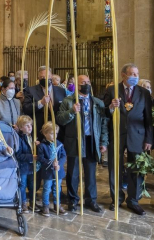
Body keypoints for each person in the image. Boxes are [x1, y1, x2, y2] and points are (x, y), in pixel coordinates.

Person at [104, 63, 153, 216]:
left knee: (136, 169)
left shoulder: (143, 92)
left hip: (137, 135)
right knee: (115, 167)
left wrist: (148, 139)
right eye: (132, 74)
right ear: (123, 75)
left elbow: (148, 118)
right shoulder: (112, 90)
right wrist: (111, 107)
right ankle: (117, 198)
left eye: (136, 74)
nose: (135, 77)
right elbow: (103, 114)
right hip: (117, 134)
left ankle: (133, 200)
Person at [57, 75, 108, 213]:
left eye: (88, 82)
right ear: (77, 85)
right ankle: (73, 200)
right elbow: (60, 120)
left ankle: (91, 200)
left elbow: (103, 124)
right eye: (83, 83)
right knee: (73, 172)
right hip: (74, 140)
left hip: (91, 139)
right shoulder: (68, 101)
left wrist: (103, 142)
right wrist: (72, 111)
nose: (86, 84)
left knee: (91, 172)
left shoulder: (97, 102)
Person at [22, 66, 66, 140]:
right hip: (39, 128)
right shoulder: (30, 90)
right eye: (42, 77)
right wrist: (41, 103)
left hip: (57, 128)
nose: (44, 79)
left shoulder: (61, 91)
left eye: (47, 76)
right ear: (38, 78)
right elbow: (26, 108)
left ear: (51, 76)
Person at [37, 122, 67, 216]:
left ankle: (56, 204)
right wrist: (50, 163)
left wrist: (59, 164)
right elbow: (41, 158)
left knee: (57, 189)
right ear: (45, 133)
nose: (54, 135)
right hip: (48, 172)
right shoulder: (42, 146)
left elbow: (63, 156)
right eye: (52, 133)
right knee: (46, 189)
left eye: (56, 133)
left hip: (58, 171)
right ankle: (45, 206)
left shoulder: (59, 144)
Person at [16, 115, 39, 213]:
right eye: (27, 125)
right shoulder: (19, 138)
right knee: (22, 184)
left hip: (32, 166)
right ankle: (23, 203)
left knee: (32, 185)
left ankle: (33, 202)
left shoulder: (33, 137)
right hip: (23, 166)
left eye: (31, 125)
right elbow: (18, 155)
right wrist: (31, 157)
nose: (30, 127)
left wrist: (39, 146)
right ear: (21, 127)